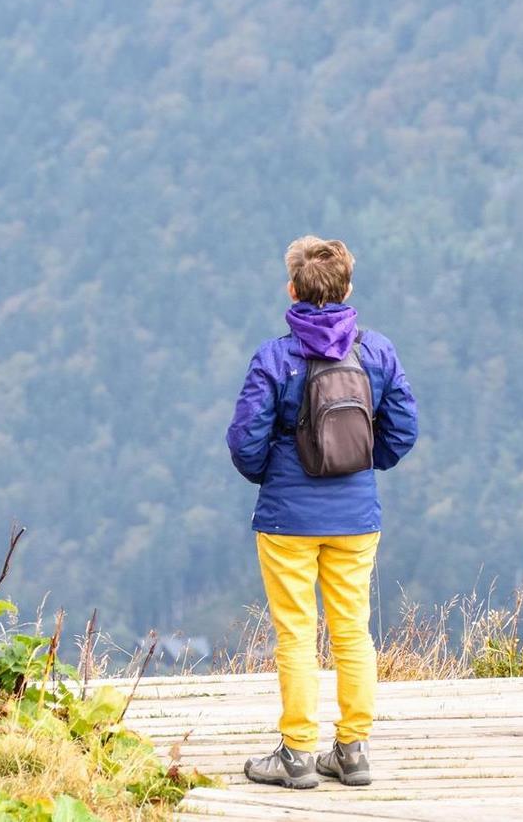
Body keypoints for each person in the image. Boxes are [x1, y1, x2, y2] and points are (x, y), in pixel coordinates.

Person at [225, 235, 420, 789]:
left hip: (287, 519)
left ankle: (296, 755)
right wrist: (360, 463)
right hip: (356, 518)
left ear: (291, 289)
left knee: (295, 634)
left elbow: (245, 440)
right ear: (348, 288)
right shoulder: (376, 351)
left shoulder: (274, 357)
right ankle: (353, 752)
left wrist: (275, 477)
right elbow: (404, 428)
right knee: (353, 632)